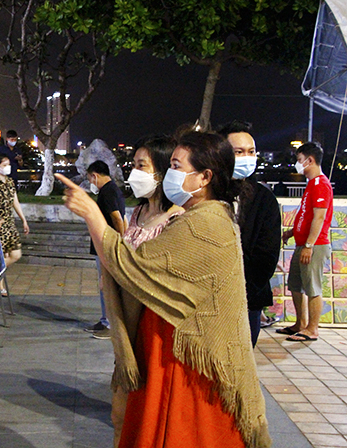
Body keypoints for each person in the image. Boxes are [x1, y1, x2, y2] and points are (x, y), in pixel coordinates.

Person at [56, 131, 270, 448]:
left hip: (183, 359)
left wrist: (91, 213)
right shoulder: (196, 216)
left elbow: (133, 265)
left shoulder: (204, 223)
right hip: (163, 349)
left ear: (205, 177)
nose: (170, 174)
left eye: (176, 166)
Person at [108, 135, 181, 446]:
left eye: (141, 166)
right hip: (128, 324)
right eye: (133, 164)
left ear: (162, 173)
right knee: (119, 414)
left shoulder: (177, 218)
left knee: (146, 416)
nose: (133, 172)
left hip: (155, 331)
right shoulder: (137, 213)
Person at [218, 121, 281, 347]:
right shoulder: (206, 193)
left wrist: (242, 291)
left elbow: (267, 254)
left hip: (248, 300)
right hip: (208, 301)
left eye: (251, 152)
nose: (247, 157)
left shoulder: (264, 199)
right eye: (238, 152)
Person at [278, 142, 333, 342]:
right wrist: (292, 233)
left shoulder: (321, 185)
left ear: (309, 160)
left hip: (314, 245)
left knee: (312, 287)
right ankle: (300, 324)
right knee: (295, 284)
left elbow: (319, 218)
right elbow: (306, 216)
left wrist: (309, 245)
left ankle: (312, 329)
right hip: (303, 243)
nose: (297, 164)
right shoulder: (312, 185)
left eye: (299, 160)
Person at [85, 160, 125, 340]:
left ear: (95, 176)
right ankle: (104, 320)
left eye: (90, 179)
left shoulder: (108, 192)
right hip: (104, 243)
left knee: (106, 285)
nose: (91, 183)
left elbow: (117, 218)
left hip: (106, 244)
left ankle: (109, 324)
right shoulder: (112, 189)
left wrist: (120, 240)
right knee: (104, 284)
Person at [0, 155, 29, 270]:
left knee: (16, 254)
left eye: (9, 165)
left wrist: (23, 220)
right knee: (2, 255)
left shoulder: (10, 182)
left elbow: (15, 202)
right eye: (5, 165)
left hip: (10, 223)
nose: (8, 167)